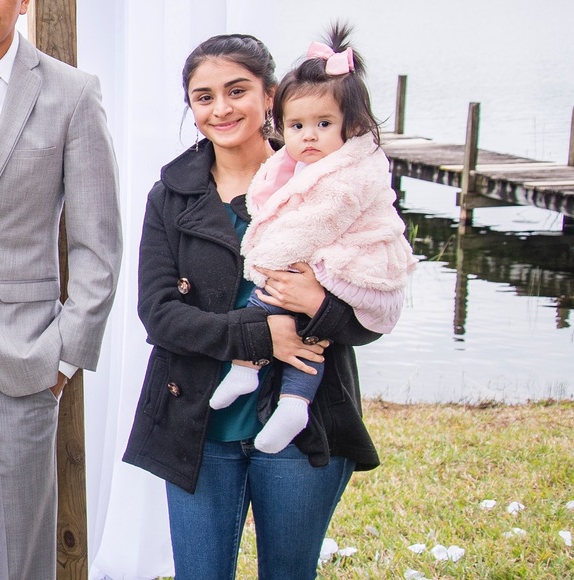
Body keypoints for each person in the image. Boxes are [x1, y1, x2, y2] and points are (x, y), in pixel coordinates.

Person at [123, 29, 381, 580]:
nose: (221, 108)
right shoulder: (170, 195)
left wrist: (319, 303)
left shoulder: (331, 181)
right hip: (198, 422)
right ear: (191, 107)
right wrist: (260, 335)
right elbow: (159, 314)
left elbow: (376, 306)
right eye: (204, 97)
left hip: (304, 419)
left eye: (237, 90)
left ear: (270, 96)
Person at [209, 24, 417, 455]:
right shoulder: (297, 166)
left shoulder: (347, 173)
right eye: (297, 125)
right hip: (314, 270)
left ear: (350, 126)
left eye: (324, 124)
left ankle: (279, 391)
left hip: (349, 266)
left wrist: (274, 265)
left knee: (285, 313)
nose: (309, 135)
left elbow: (314, 225)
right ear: (282, 122)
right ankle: (268, 383)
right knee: (279, 311)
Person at [0, 1, 122, 579]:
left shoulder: (72, 92)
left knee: (21, 558)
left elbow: (99, 247)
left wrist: (62, 359)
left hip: (20, 364)